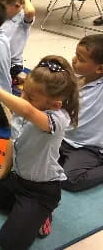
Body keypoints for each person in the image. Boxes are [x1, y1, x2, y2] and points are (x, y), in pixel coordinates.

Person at [0, 56, 79, 249]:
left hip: (41, 191)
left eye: (30, 97)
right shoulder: (24, 109)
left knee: (10, 243)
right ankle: (25, 212)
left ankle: (41, 213)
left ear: (55, 104)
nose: (22, 98)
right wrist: (3, 171)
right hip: (17, 180)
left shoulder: (58, 119)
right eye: (23, 91)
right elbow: (13, 140)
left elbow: (28, 112)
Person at [59, 35, 103, 191]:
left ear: (100, 69)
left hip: (87, 147)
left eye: (81, 59)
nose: (74, 59)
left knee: (70, 180)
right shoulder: (75, 78)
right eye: (76, 55)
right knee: (30, 156)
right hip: (63, 138)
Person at [0, 0, 35, 84]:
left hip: (12, 63)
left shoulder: (22, 20)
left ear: (17, 5)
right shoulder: (2, 17)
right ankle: (15, 77)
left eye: (3, 8)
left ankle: (16, 76)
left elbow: (30, 11)